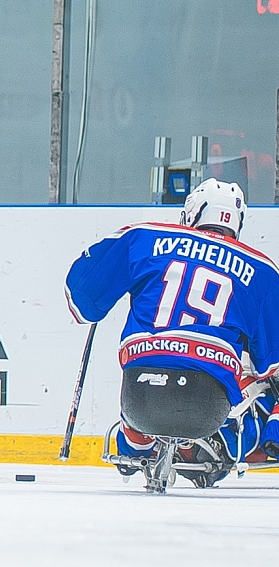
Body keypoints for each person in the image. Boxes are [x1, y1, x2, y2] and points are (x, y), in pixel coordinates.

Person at [65, 177, 279, 486]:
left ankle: (135, 442)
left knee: (148, 359)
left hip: (140, 393)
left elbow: (81, 299)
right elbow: (269, 363)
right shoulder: (262, 270)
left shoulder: (144, 236)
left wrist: (99, 300)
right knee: (256, 383)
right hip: (208, 405)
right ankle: (221, 442)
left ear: (192, 212)